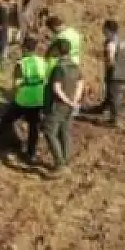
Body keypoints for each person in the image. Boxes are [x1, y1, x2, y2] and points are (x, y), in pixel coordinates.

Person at [0, 36, 49, 165]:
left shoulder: (22, 64)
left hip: (24, 98)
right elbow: (46, 79)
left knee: (7, 120)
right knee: (34, 127)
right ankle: (31, 153)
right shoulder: (42, 61)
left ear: (24, 48)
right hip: (38, 97)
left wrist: (15, 95)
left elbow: (17, 83)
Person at [44, 40, 85, 175]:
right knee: (65, 132)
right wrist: (74, 101)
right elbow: (80, 83)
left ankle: (60, 164)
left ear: (58, 50)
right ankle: (66, 160)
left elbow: (56, 88)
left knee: (49, 132)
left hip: (58, 105)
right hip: (70, 106)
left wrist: (67, 100)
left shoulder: (59, 68)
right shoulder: (75, 66)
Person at [94, 19, 125, 125]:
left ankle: (115, 120)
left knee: (114, 96)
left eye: (104, 29)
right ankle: (109, 113)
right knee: (119, 95)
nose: (102, 31)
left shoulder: (111, 43)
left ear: (108, 30)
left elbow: (110, 60)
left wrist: (109, 70)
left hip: (115, 74)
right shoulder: (122, 41)